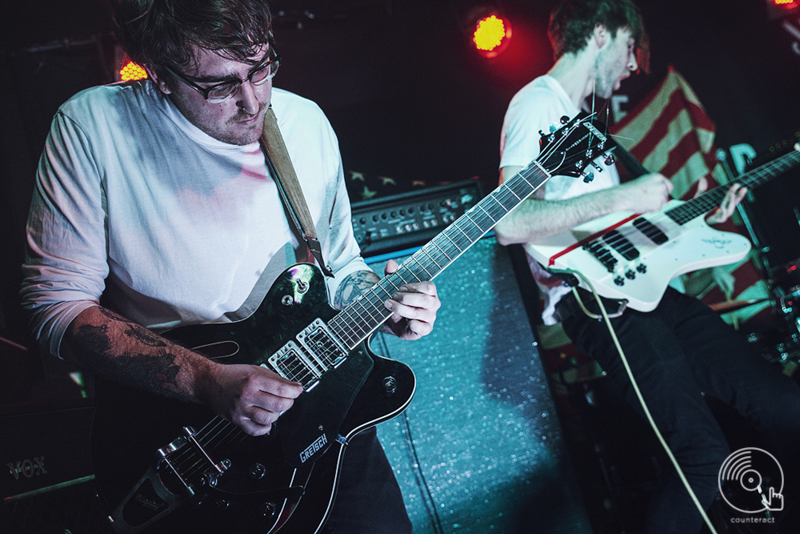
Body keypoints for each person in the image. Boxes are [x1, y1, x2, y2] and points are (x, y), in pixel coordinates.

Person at [19, 0, 440, 532]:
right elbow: (56, 307)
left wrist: (383, 302)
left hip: (330, 427)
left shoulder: (304, 124)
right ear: (158, 72)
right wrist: (207, 382)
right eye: (219, 86)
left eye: (261, 67)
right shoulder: (93, 127)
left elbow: (341, 268)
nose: (252, 101)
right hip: (190, 445)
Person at [494, 0, 800, 532]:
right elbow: (510, 220)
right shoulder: (536, 103)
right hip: (596, 304)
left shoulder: (582, 118)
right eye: (632, 48)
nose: (634, 66)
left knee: (781, 403)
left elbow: (614, 239)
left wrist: (692, 218)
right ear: (603, 33)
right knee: (703, 463)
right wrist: (625, 197)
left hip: (644, 292)